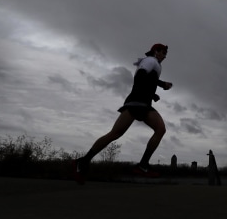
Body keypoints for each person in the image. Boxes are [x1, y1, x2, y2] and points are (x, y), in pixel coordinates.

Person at [73, 43, 173, 184]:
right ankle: (143, 165)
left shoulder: (152, 63)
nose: (165, 56)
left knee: (114, 134)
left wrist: (160, 86)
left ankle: (83, 161)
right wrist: (150, 92)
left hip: (137, 102)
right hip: (139, 102)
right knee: (160, 129)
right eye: (163, 52)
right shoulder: (151, 61)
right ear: (156, 51)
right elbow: (140, 76)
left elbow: (148, 78)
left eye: (165, 54)